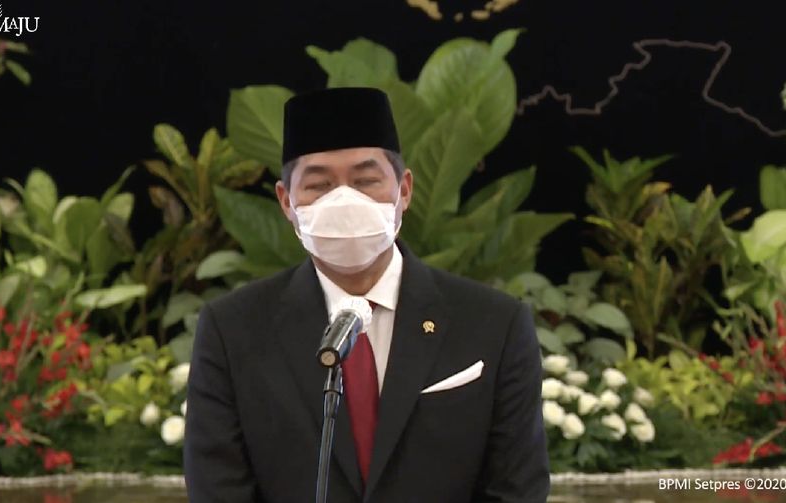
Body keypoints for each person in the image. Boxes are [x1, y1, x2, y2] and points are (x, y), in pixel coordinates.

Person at [184, 87, 549, 502]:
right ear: (286, 202)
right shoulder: (233, 330)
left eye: (366, 181)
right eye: (319, 185)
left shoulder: (493, 324)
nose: (344, 201)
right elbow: (218, 488)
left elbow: (517, 488)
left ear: (404, 190)